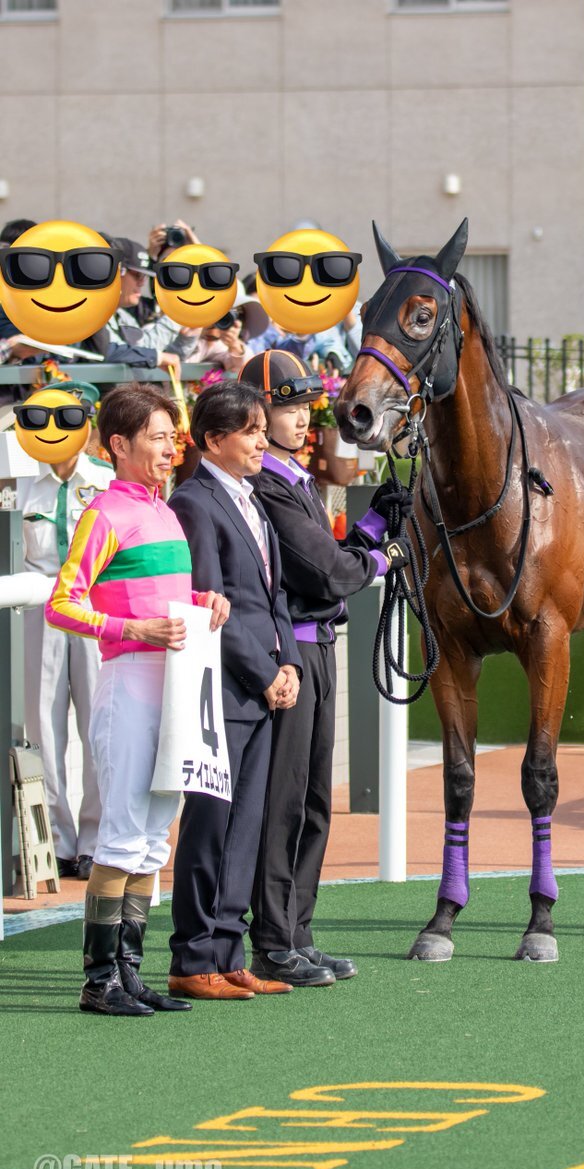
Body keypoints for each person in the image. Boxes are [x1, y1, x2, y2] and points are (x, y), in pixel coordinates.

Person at [45, 382, 230, 1016]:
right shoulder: (104, 513)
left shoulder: (167, 511)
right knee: (123, 837)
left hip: (175, 686)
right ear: (119, 445)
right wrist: (134, 629)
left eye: (173, 435)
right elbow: (62, 604)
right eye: (158, 435)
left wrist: (206, 604)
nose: (172, 446)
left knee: (154, 839)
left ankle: (129, 972)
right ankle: (98, 982)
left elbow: (165, 598)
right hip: (129, 686)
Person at [242, 350, 411, 987]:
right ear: (254, 414)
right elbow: (332, 573)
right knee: (285, 804)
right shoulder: (267, 484)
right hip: (290, 656)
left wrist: (371, 525)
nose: (302, 420)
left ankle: (296, 934)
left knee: (314, 802)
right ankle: (273, 940)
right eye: (286, 408)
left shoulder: (295, 480)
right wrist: (385, 555)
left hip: (317, 648)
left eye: (304, 407)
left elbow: (334, 559)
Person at [167, 380, 303, 1001]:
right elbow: (209, 604)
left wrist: (291, 664)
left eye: (260, 427)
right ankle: (193, 957)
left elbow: (275, 597)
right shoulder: (195, 501)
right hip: (221, 690)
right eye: (248, 430)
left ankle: (229, 951)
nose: (260, 438)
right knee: (211, 824)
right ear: (213, 440)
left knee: (245, 825)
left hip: (263, 688)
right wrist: (264, 673)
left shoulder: (250, 499)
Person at [16, 381, 113, 879]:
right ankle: (57, 841)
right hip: (41, 610)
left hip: (92, 609)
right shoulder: (23, 486)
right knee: (42, 727)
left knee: (97, 725)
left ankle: (94, 841)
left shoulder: (108, 480)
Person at [84, 238, 196, 371]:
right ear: (117, 271)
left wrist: (185, 338)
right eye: (138, 275)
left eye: (144, 277)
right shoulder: (84, 309)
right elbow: (108, 351)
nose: (142, 283)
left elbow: (144, 349)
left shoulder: (123, 316)